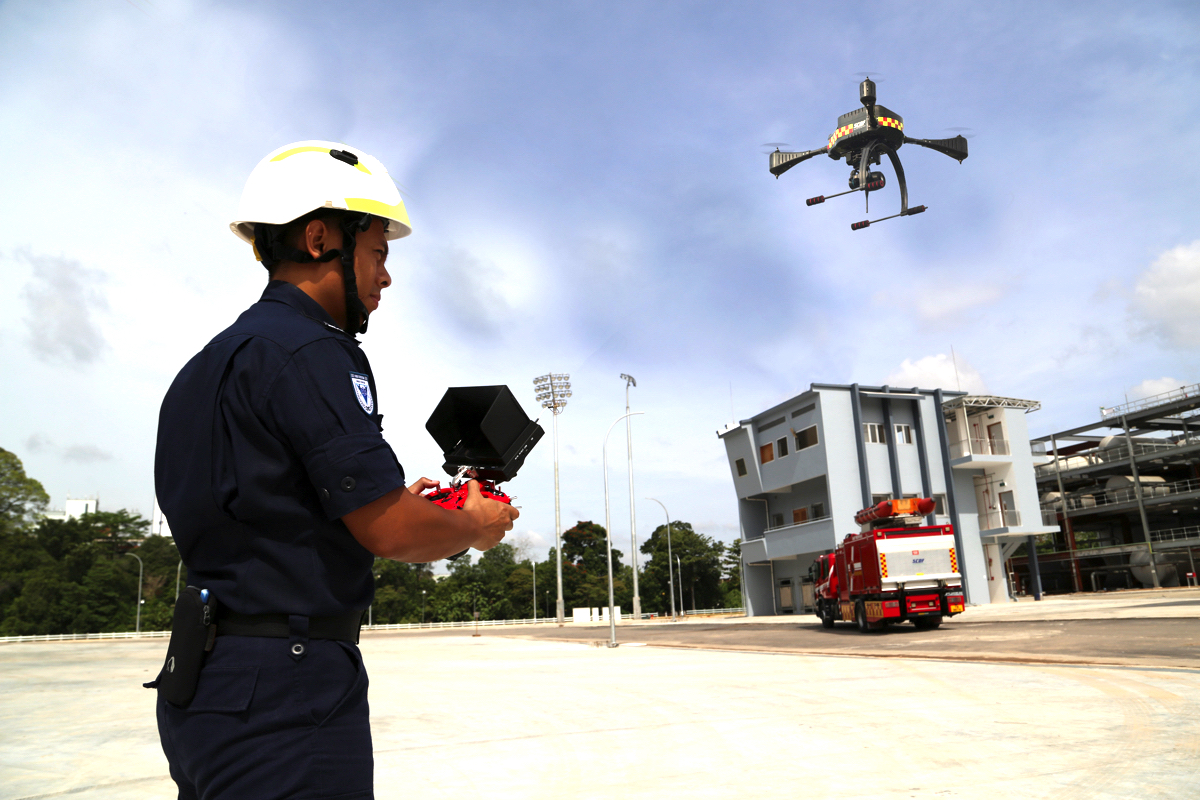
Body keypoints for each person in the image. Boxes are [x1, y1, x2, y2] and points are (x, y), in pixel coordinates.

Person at [152, 140, 518, 799]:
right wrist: (472, 522)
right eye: (378, 251)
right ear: (321, 239)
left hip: (203, 687)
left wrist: (388, 502)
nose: (385, 276)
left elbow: (265, 515)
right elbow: (394, 534)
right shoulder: (314, 352)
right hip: (287, 698)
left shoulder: (205, 367)